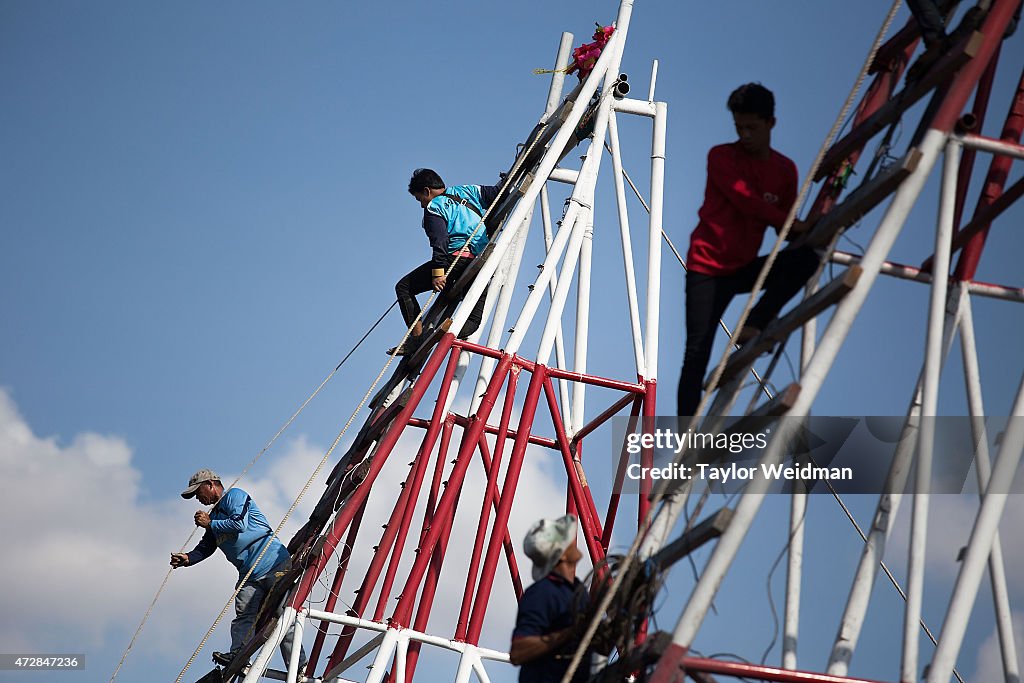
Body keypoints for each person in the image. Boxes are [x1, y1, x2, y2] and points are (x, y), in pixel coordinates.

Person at [677, 83, 818, 416]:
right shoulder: (721, 156)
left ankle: (756, 320)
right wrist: (793, 223)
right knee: (697, 352)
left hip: (742, 267)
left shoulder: (785, 171)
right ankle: (686, 433)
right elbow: (746, 200)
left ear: (771, 123)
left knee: (807, 260)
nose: (745, 135)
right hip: (706, 268)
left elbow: (783, 229)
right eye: (739, 128)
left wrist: (806, 228)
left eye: (752, 127)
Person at [170, 469, 306, 670]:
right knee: (243, 614)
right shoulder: (214, 517)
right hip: (249, 574)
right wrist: (188, 558)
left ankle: (299, 667)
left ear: (211, 484)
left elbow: (239, 524)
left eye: (198, 493)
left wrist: (210, 523)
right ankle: (239, 656)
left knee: (283, 615)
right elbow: (207, 546)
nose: (198, 498)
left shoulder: (235, 495)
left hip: (273, 563)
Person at [390, 168, 500, 355]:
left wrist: (438, 273)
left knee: (403, 287)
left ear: (427, 191)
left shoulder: (434, 207)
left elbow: (440, 241)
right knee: (472, 321)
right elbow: (499, 194)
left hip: (453, 260)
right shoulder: (468, 191)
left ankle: (416, 340)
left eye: (420, 199)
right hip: (479, 261)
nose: (422, 205)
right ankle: (444, 331)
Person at [510, 514, 592, 683]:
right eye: (568, 540)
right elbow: (518, 652)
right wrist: (569, 633)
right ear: (561, 555)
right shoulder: (542, 593)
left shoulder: (578, 591)